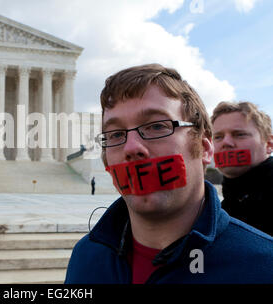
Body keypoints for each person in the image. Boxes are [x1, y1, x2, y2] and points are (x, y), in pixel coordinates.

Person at [65, 64, 273, 284]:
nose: (131, 148)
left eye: (156, 126)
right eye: (116, 134)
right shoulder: (85, 256)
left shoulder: (263, 268)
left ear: (204, 148)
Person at [211, 101, 273, 236]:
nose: (226, 143)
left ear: (269, 144)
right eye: (218, 137)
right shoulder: (220, 210)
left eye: (239, 134)